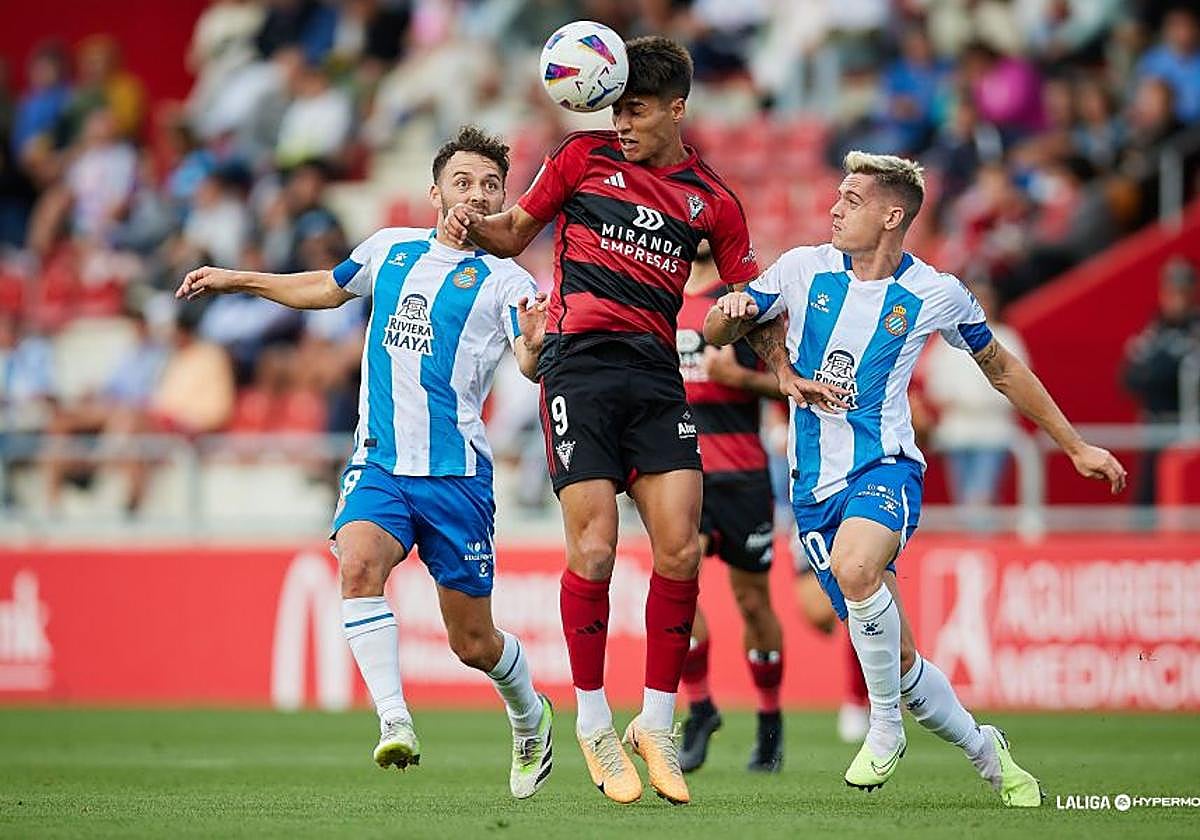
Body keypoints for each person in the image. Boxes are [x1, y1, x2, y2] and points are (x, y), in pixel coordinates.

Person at [705, 150, 1126, 806]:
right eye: (837, 196)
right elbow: (719, 324)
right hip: (812, 486)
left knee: (856, 567)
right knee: (900, 664)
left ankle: (883, 729)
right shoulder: (802, 268)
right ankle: (990, 753)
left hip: (886, 466)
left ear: (890, 214)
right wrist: (729, 309)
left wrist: (1072, 445)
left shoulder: (935, 292)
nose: (835, 208)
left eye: (851, 198)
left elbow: (1002, 368)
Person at [175, 125, 555, 800]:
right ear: (434, 191)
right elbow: (326, 286)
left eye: (490, 185)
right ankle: (395, 719)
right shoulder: (392, 249)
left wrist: (533, 348)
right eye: (462, 181)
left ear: (505, 201)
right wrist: (239, 279)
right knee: (357, 564)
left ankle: (529, 715)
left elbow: (528, 360)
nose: (475, 194)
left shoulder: (508, 279)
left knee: (472, 643)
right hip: (379, 462)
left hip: (456, 476)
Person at [445, 36, 760, 805]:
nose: (622, 121)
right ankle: (592, 721)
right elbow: (515, 231)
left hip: (657, 376)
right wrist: (466, 223)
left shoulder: (711, 199)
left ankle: (654, 724)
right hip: (578, 371)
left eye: (639, 110)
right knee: (594, 550)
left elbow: (746, 303)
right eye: (616, 106)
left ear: (677, 109)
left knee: (680, 549)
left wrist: (753, 339)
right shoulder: (580, 158)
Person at [674, 245, 785, 774]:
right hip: (679, 473)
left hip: (741, 474)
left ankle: (770, 724)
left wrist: (743, 380)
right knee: (677, 585)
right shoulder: (660, 297)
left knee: (753, 602)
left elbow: (794, 385)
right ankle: (700, 707)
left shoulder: (746, 303)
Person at [1121, 257, 1200, 505]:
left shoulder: (1195, 329)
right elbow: (1128, 377)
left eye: (1180, 292)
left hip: (1186, 432)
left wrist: (1155, 369)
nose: (1173, 299)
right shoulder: (1154, 328)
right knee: (1144, 507)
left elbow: (1170, 374)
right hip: (1153, 430)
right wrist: (1157, 370)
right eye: (1169, 291)